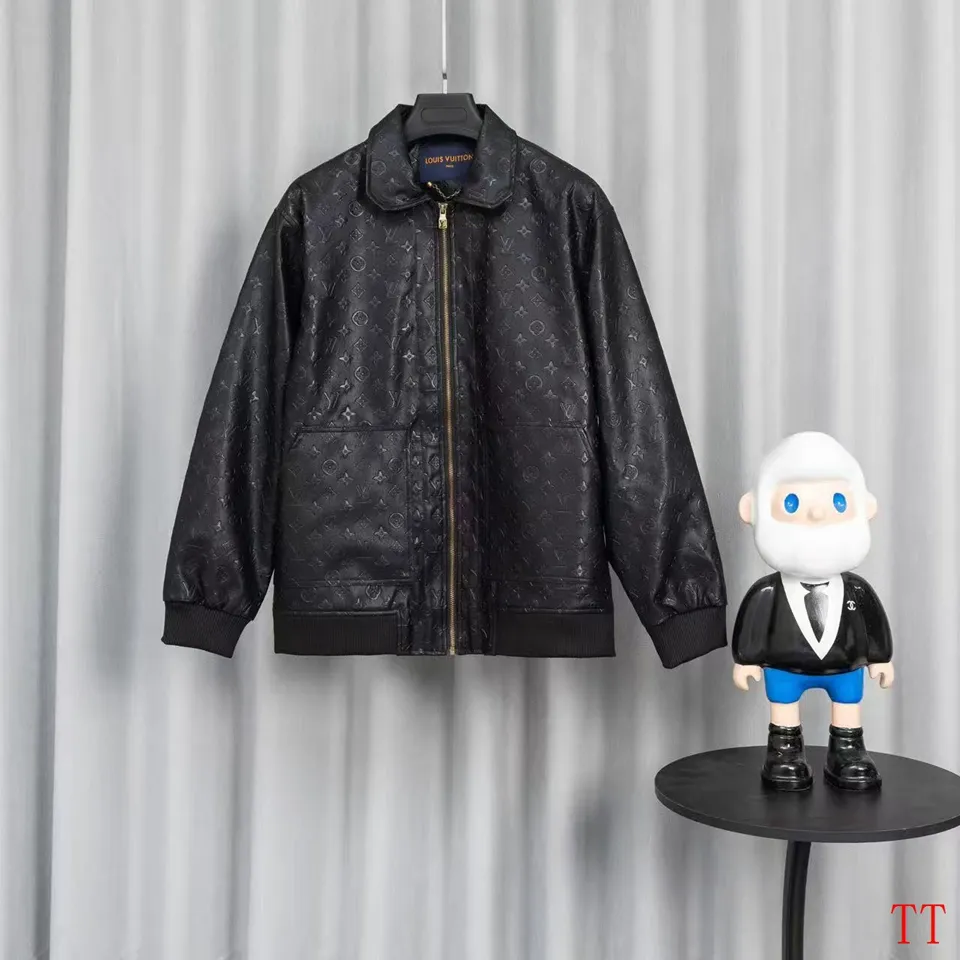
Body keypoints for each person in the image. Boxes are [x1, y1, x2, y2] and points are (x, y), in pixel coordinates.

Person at [732, 432, 894, 791]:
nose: (818, 513)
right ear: (752, 510)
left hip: (844, 668)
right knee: (784, 707)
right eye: (791, 502)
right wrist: (746, 660)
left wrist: (880, 658)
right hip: (785, 668)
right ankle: (784, 751)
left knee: (848, 705)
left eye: (838, 501)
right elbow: (752, 625)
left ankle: (847, 751)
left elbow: (873, 624)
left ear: (866, 508)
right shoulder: (768, 593)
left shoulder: (856, 590)